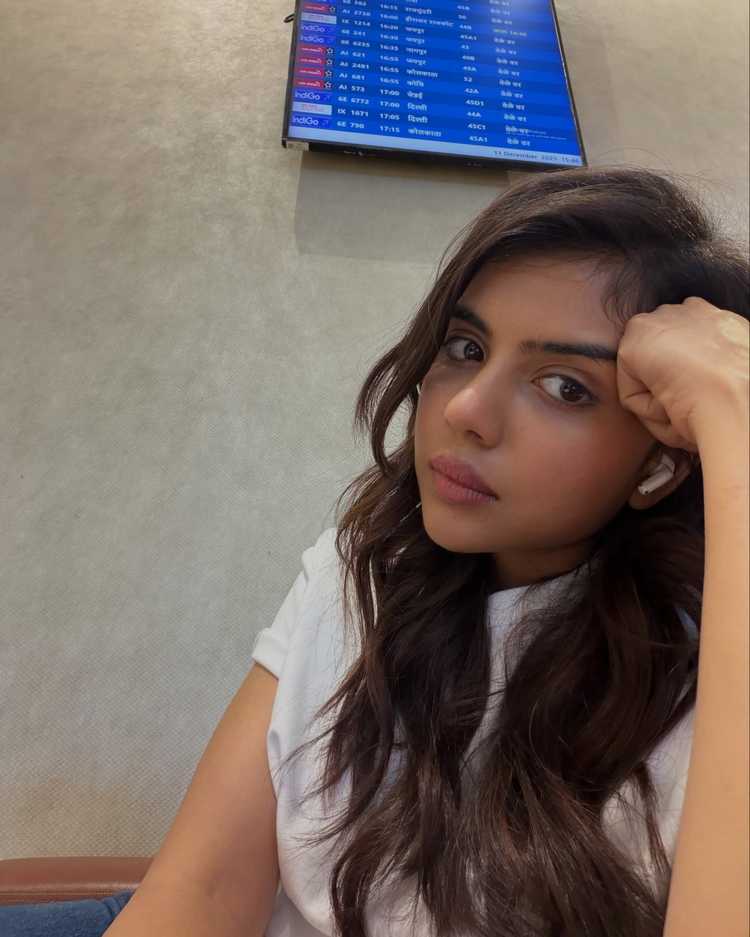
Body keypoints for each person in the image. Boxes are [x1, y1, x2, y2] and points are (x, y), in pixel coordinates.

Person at [3, 165, 747, 937]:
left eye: (564, 386)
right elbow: (204, 892)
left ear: (661, 463)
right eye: (465, 346)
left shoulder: (702, 686)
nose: (466, 408)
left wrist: (736, 414)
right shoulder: (363, 564)